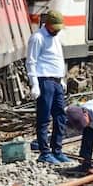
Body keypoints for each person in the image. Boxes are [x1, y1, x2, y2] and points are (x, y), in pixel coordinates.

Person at [26, 10, 70, 164]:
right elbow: (31, 61)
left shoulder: (56, 37)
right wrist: (34, 84)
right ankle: (44, 153)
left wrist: (61, 79)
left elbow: (58, 58)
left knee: (60, 116)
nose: (57, 30)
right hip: (44, 80)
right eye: (55, 27)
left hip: (57, 81)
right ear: (48, 24)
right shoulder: (37, 38)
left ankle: (57, 150)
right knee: (44, 118)